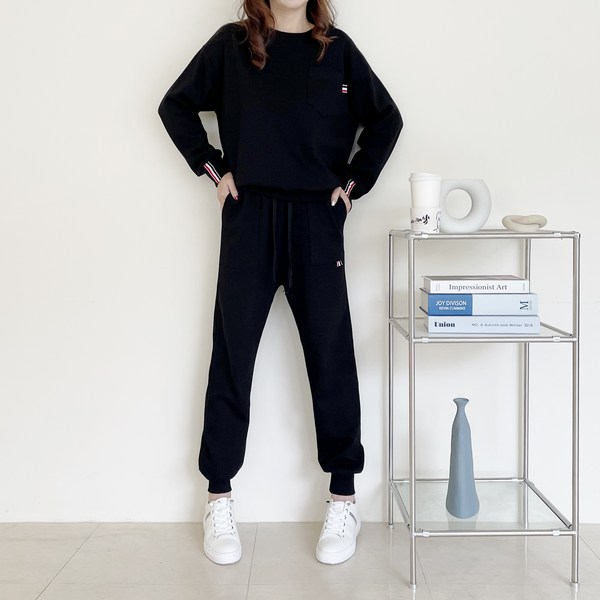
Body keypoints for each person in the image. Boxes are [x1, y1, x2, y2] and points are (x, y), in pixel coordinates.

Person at [158, 0, 402, 566]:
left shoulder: (336, 51)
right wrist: (214, 170)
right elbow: (175, 106)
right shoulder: (233, 45)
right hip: (250, 217)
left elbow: (386, 120)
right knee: (232, 353)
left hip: (318, 219)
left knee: (331, 356)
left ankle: (343, 497)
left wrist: (352, 185)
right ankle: (218, 497)